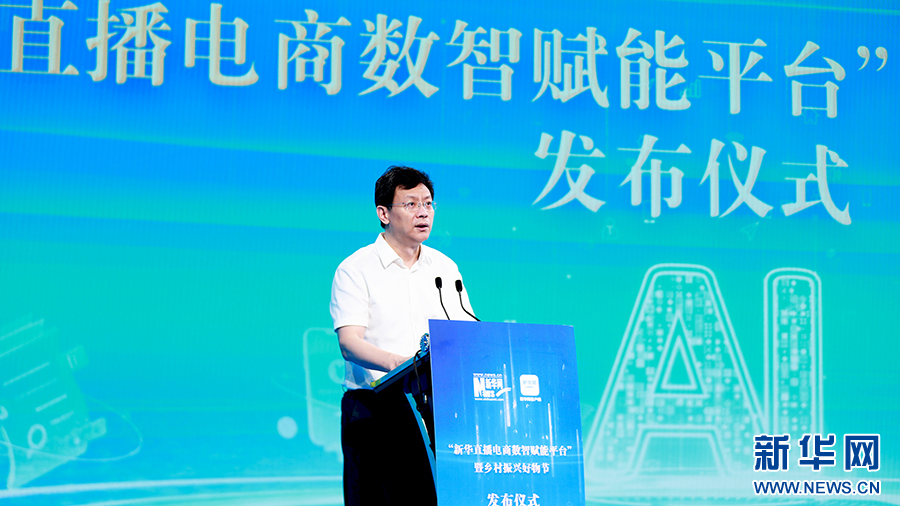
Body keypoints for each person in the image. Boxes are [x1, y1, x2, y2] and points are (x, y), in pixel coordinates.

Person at [330, 165, 474, 505]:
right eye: (411, 204)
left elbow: (464, 331)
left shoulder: (445, 268)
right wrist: (401, 365)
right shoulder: (356, 268)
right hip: (374, 408)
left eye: (428, 203)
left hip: (435, 406)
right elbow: (349, 343)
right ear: (384, 213)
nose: (423, 212)